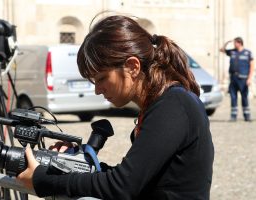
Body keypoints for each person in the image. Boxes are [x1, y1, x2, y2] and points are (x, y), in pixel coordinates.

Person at [17, 15, 214, 200]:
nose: (97, 90)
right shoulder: (163, 103)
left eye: (102, 78)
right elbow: (137, 180)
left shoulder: (173, 105)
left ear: (132, 67)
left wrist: (43, 180)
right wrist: (70, 165)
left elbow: (121, 186)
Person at [220, 37, 254, 121]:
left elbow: (252, 66)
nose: (234, 44)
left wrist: (249, 78)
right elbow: (221, 50)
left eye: (235, 43)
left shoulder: (247, 53)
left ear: (239, 43)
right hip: (233, 79)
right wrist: (227, 42)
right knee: (233, 97)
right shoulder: (232, 52)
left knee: (244, 97)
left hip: (243, 79)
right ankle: (233, 116)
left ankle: (247, 116)